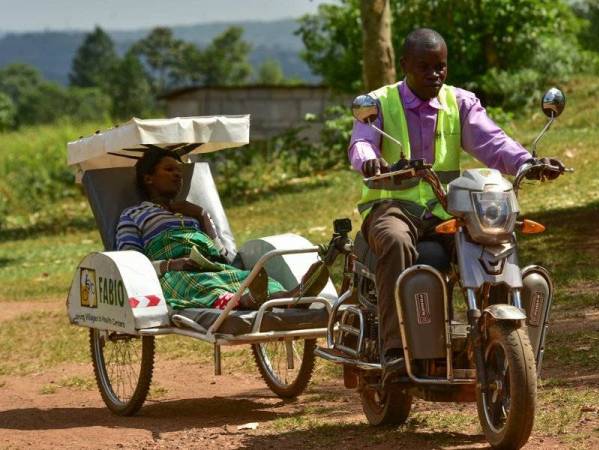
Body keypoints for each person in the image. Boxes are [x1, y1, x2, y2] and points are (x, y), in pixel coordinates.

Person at [348, 28, 563, 371]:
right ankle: (394, 350)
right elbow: (361, 142)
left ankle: (496, 337)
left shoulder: (459, 102)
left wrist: (527, 162)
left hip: (444, 207)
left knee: (492, 242)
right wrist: (370, 160)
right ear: (404, 64)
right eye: (425, 66)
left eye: (441, 66)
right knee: (395, 241)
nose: (435, 74)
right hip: (391, 208)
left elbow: (492, 141)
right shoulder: (379, 103)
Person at [116, 146, 327, 310]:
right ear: (148, 178)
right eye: (169, 169)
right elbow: (132, 265)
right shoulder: (132, 215)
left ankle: (294, 297)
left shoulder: (192, 214)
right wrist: (173, 264)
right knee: (207, 286)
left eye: (180, 171)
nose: (178, 175)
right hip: (175, 275)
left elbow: (224, 256)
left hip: (213, 267)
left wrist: (202, 216)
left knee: (249, 278)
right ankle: (249, 301)